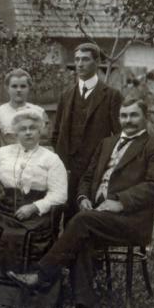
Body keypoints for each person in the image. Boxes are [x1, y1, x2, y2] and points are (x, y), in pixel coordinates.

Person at [8, 98, 154, 308]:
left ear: (145, 116)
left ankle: (42, 274)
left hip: (129, 221)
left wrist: (120, 201)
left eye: (134, 115)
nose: (128, 121)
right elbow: (86, 176)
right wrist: (83, 196)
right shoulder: (107, 143)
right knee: (81, 232)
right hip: (96, 216)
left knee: (81, 222)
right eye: (124, 116)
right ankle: (83, 306)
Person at [0, 110, 68, 308]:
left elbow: (59, 194)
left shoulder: (51, 159)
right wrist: (0, 196)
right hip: (5, 207)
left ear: (40, 132)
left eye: (33, 129)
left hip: (36, 211)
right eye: (23, 129)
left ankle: (27, 296)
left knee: (23, 233)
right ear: (15, 133)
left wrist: (35, 207)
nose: (28, 133)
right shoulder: (2, 153)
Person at [52, 42, 122, 221]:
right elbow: (56, 133)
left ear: (97, 62)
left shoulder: (112, 96)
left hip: (96, 168)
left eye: (85, 59)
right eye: (76, 60)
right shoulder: (66, 95)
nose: (80, 64)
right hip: (69, 168)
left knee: (92, 217)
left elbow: (119, 136)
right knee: (68, 216)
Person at [0, 68, 48, 149]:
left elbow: (45, 143)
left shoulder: (39, 112)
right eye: (14, 86)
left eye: (23, 86)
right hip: (7, 159)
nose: (19, 90)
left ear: (29, 88)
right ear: (7, 88)